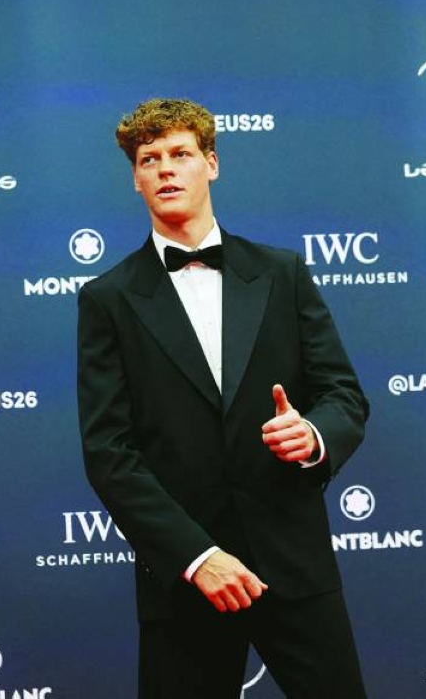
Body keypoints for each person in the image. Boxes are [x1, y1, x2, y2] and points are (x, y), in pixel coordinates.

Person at [77, 98, 370, 697]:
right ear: (135, 179)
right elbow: (109, 451)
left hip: (293, 563)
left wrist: (312, 435)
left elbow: (343, 395)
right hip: (187, 579)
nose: (165, 169)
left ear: (211, 164)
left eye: (180, 154)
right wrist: (194, 557)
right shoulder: (107, 298)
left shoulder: (282, 273)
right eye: (149, 159)